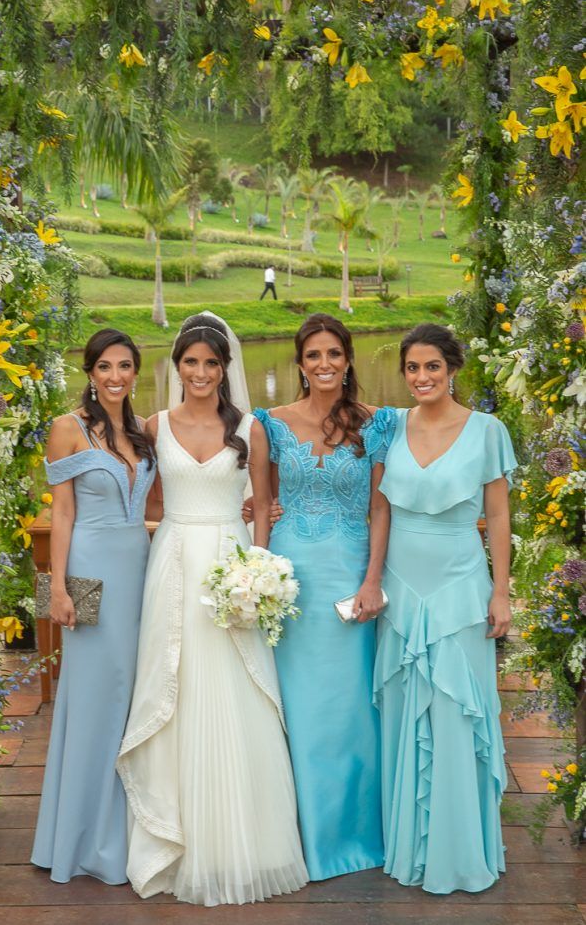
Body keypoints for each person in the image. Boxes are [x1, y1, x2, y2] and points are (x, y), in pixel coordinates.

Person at [117, 313, 308, 906]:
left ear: (225, 369)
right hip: (173, 563)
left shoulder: (250, 428)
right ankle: (173, 836)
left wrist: (259, 572)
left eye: (211, 363)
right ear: (177, 367)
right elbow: (148, 500)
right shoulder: (154, 426)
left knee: (236, 687)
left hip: (232, 567)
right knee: (174, 687)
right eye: (191, 362)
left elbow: (263, 504)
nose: (200, 373)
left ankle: (248, 841)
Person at [254, 313, 397, 881]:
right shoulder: (270, 423)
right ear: (299, 363)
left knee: (349, 707)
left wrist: (373, 580)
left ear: (348, 359)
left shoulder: (377, 423)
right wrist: (258, 576)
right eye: (313, 355)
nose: (324, 364)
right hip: (290, 582)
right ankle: (294, 836)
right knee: (296, 706)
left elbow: (380, 508)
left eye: (334, 353)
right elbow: (262, 504)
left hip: (349, 577)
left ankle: (350, 835)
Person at [374, 323, 516, 894]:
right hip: (401, 587)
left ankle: (459, 853)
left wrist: (500, 592)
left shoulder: (487, 430)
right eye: (412, 367)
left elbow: (498, 516)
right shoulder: (390, 426)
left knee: (459, 712)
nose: (422, 377)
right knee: (404, 712)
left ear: (452, 369)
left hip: (460, 585)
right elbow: (373, 504)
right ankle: (408, 847)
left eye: (432, 366)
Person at [31, 329, 157, 884]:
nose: (115, 376)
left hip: (140, 572)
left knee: (130, 693)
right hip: (89, 572)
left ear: (135, 372)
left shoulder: (142, 430)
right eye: (105, 366)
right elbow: (61, 512)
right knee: (91, 697)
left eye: (124, 366)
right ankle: (80, 839)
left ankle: (131, 827)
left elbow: (155, 505)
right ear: (89, 372)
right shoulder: (67, 428)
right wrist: (57, 588)